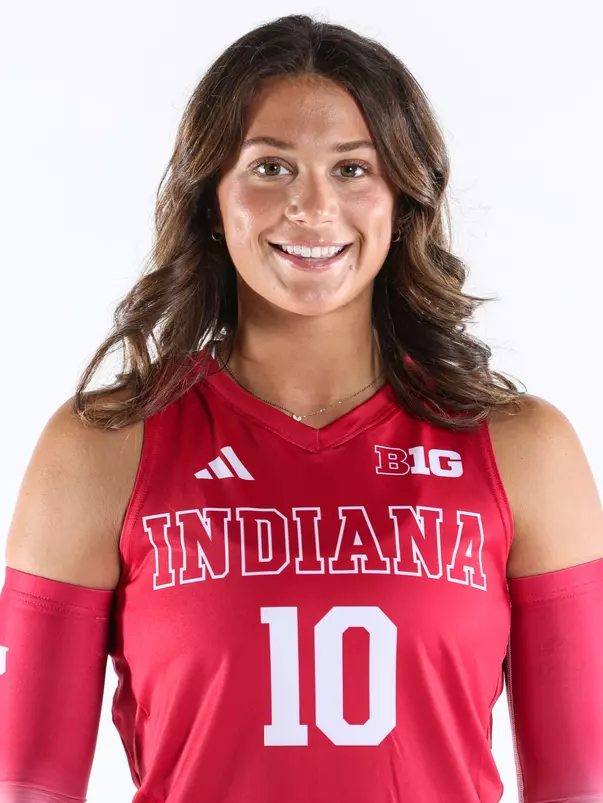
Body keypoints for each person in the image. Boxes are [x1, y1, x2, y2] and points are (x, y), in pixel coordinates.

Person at [1, 13, 602, 803]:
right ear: (211, 198)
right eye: (271, 167)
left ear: (402, 197)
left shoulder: (523, 450)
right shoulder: (100, 449)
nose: (313, 207)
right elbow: (27, 786)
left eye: (353, 169)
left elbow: (578, 787)